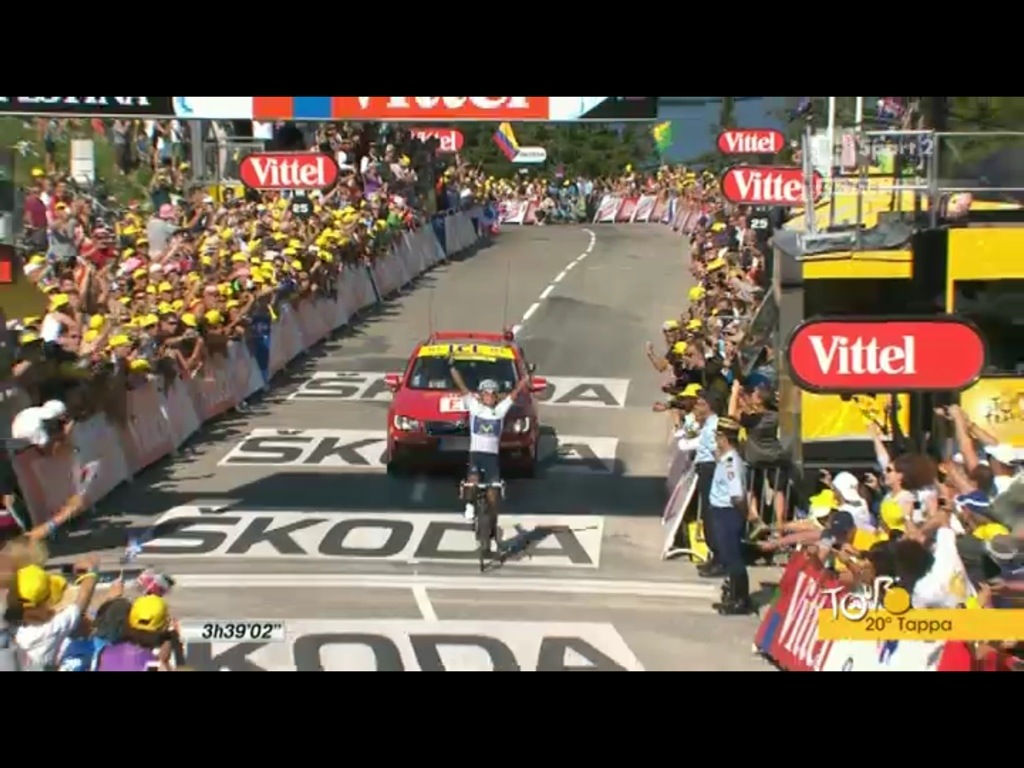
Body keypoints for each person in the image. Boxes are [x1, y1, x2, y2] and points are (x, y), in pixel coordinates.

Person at [449, 360, 530, 522]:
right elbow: (462, 387)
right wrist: (452, 368)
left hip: (492, 457)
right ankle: (470, 505)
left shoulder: (499, 411)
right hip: (476, 454)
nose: (490, 396)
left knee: (493, 491)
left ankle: (490, 518)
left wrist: (526, 378)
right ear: (481, 395)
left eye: (493, 393)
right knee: (473, 482)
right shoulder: (475, 407)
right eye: (486, 393)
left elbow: (514, 393)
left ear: (496, 396)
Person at [708, 417, 753, 615]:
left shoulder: (731, 464)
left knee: (733, 557)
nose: (716, 440)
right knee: (728, 556)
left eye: (718, 436)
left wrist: (744, 515)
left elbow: (737, 496)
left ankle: (740, 600)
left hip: (728, 513)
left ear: (724, 438)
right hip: (722, 512)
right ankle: (733, 596)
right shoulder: (726, 459)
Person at [692, 391, 722, 577]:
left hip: (711, 470)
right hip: (706, 470)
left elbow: (716, 453)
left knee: (711, 515)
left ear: (708, 406)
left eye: (700, 404)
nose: (696, 407)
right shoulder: (708, 424)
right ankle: (715, 556)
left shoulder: (713, 426)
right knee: (707, 515)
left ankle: (719, 559)